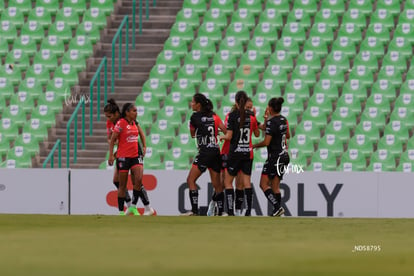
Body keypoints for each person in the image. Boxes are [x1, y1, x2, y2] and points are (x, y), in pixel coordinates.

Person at [183, 93, 226, 216]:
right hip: (215, 151)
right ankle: (221, 212)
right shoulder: (215, 116)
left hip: (205, 153)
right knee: (217, 185)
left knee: (191, 180)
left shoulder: (194, 117)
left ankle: (195, 210)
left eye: (192, 102)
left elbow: (192, 134)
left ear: (198, 104)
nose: (191, 104)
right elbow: (225, 130)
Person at [108, 103, 155, 216]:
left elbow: (141, 134)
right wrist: (112, 154)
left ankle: (133, 206)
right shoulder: (120, 123)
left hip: (135, 155)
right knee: (121, 184)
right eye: (134, 111)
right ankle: (121, 212)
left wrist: (144, 146)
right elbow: (112, 139)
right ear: (127, 112)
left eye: (136, 110)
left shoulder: (134, 123)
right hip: (123, 157)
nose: (136, 113)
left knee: (138, 180)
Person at [219, 91, 260, 216]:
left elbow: (230, 135)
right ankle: (247, 211)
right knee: (246, 182)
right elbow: (257, 134)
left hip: (235, 153)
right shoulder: (251, 117)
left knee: (227, 182)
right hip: (247, 153)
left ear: (236, 102)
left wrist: (222, 137)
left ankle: (231, 211)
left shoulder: (232, 116)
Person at [252, 97, 290, 217]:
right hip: (284, 156)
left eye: (268, 106)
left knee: (263, 184)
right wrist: (258, 122)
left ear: (271, 108)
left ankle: (277, 208)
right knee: (275, 187)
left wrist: (254, 145)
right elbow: (287, 135)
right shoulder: (284, 120)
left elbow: (266, 142)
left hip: (275, 157)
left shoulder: (272, 122)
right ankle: (277, 212)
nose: (267, 108)